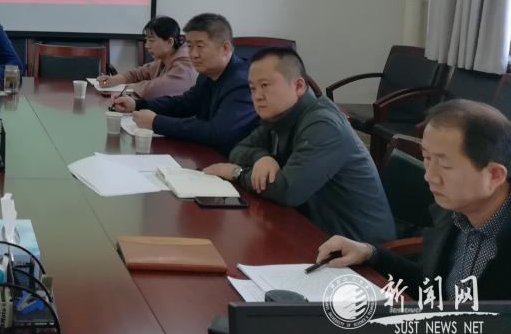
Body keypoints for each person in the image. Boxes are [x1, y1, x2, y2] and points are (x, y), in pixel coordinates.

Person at [316, 99, 511, 299]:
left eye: (446, 165)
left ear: (495, 175)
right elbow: (430, 283)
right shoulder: (452, 213)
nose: (429, 176)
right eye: (427, 158)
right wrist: (369, 253)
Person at [204, 48, 395, 244]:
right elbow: (239, 149)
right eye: (252, 88)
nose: (257, 96)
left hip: (356, 247)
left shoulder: (323, 125)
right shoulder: (279, 115)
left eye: (265, 85)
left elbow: (288, 191)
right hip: (312, 229)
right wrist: (262, 157)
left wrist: (236, 172)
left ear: (299, 86)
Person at [111, 13, 256, 154]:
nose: (193, 54)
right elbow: (184, 104)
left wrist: (156, 122)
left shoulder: (244, 82)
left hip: (234, 162)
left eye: (200, 46)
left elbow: (216, 132)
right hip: (206, 153)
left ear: (225, 48)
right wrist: (137, 104)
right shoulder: (207, 73)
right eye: (190, 46)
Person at [96, 15, 196, 99]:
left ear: (170, 42)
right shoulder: (165, 58)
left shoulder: (185, 64)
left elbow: (157, 90)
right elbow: (139, 73)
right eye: (146, 40)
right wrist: (114, 80)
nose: (146, 45)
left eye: (151, 40)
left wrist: (132, 87)